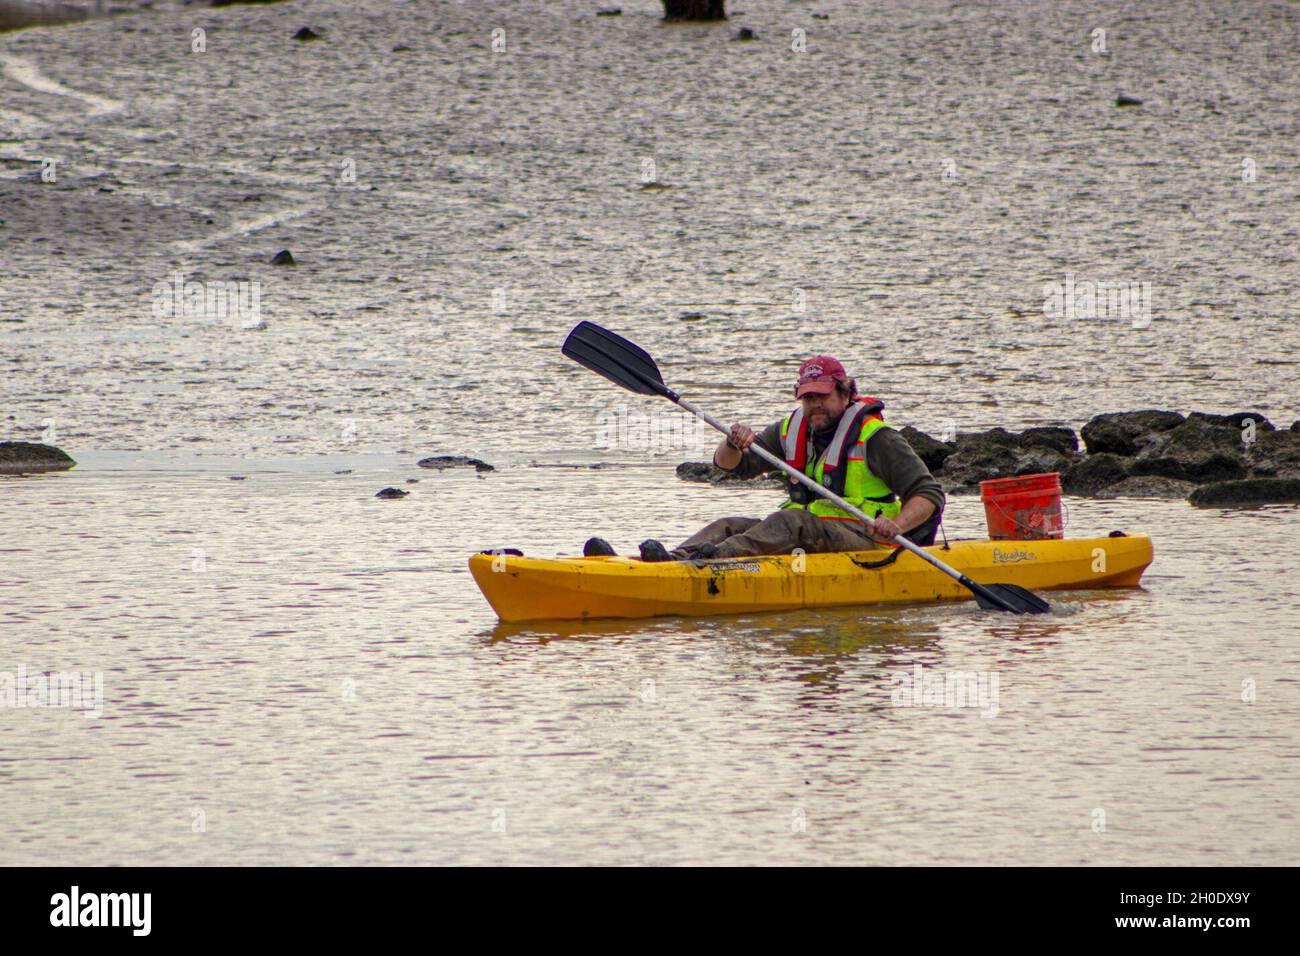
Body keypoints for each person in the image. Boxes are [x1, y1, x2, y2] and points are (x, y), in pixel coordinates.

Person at [584, 355, 946, 561]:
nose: (814, 405)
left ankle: (707, 562)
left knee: (791, 523)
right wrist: (732, 443)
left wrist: (897, 524)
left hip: (868, 539)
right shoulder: (792, 431)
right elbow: (731, 468)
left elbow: (928, 494)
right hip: (815, 529)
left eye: (822, 396)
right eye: (807, 397)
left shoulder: (877, 438)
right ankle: (674, 560)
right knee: (730, 523)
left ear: (845, 393)